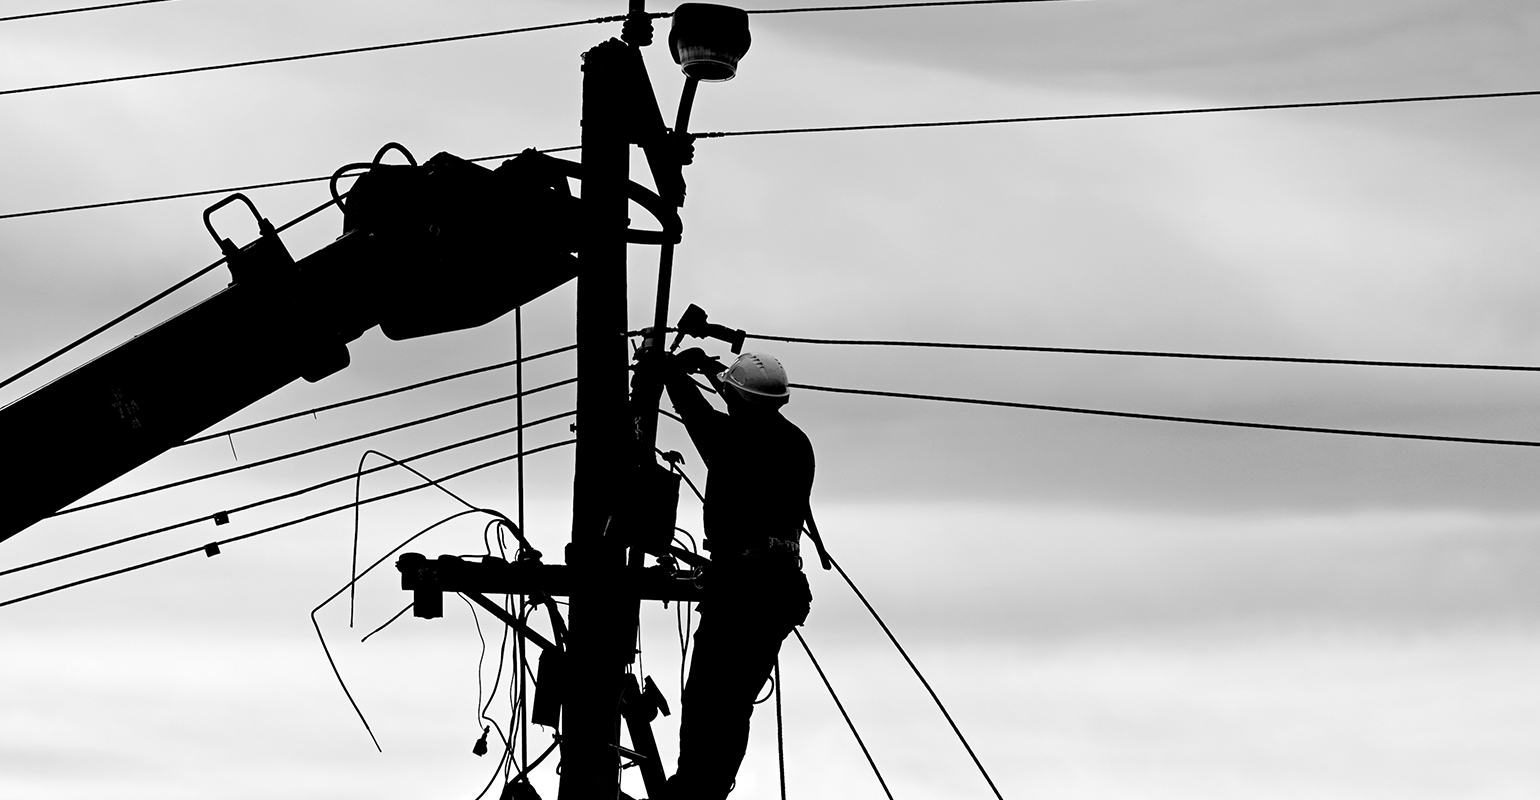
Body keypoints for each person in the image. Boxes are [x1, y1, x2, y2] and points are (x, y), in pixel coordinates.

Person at [660, 349, 822, 800]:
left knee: (707, 696)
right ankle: (709, 787)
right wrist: (712, 371)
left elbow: (695, 409)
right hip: (781, 586)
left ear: (736, 398)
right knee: (734, 701)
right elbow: (744, 403)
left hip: (743, 586)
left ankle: (694, 788)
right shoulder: (797, 443)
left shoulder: (731, 440)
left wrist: (669, 367)